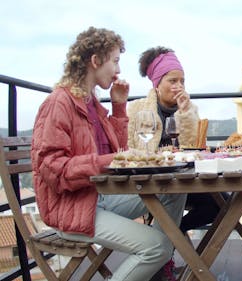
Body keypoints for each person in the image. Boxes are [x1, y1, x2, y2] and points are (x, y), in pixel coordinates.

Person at [31, 27, 187, 281]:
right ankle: (158, 255)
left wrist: (118, 107)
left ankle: (157, 268)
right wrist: (109, 161)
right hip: (71, 207)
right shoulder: (59, 103)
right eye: (115, 61)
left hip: (100, 196)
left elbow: (116, 151)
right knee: (156, 246)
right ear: (95, 61)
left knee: (172, 189)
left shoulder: (90, 102)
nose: (118, 70)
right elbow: (53, 170)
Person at [127, 46, 228, 280]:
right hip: (153, 184)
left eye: (182, 80)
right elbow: (133, 150)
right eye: (173, 80)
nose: (179, 86)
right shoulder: (137, 109)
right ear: (156, 83)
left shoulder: (189, 109)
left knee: (220, 204)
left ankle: (174, 232)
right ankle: (164, 253)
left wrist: (184, 114)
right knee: (165, 206)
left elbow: (194, 149)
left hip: (184, 183)